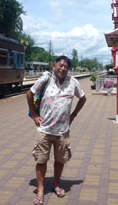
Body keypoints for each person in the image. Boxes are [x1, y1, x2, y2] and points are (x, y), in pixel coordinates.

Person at [27, 55, 86, 205]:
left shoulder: (73, 82)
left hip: (62, 131)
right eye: (60, 65)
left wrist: (73, 115)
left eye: (66, 66)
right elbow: (29, 94)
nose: (63, 68)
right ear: (54, 66)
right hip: (44, 129)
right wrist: (34, 114)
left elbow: (83, 98)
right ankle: (40, 190)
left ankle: (56, 184)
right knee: (41, 160)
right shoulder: (45, 79)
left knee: (60, 160)